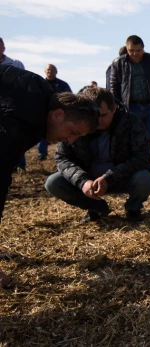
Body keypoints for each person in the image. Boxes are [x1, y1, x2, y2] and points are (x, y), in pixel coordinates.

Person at [0, 65, 100, 288]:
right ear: (57, 115)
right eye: (73, 132)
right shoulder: (20, 122)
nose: (70, 141)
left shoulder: (40, 101)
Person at [45, 88, 150, 223]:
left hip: (123, 177)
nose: (98, 120)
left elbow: (142, 156)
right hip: (89, 179)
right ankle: (96, 207)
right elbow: (62, 158)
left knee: (144, 178)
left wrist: (108, 178)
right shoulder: (77, 124)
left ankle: (133, 208)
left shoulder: (131, 122)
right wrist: (83, 181)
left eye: (103, 115)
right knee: (53, 182)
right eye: (94, 115)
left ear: (114, 109)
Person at [109, 35, 150, 173]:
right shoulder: (118, 63)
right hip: (131, 106)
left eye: (138, 50)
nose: (135, 54)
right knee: (138, 138)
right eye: (131, 51)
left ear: (143, 48)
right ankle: (143, 163)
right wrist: (119, 105)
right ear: (127, 49)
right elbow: (113, 86)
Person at [36, 64, 74, 162]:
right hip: (44, 112)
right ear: (45, 72)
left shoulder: (63, 85)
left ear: (56, 72)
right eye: (48, 70)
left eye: (52, 70)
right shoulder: (40, 84)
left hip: (62, 114)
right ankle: (42, 154)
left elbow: (71, 97)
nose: (50, 72)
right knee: (43, 132)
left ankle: (63, 154)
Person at [0, 37, 27, 171]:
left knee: (16, 136)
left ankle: (20, 165)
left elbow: (24, 85)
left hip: (13, 107)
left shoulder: (15, 64)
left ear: (4, 48)